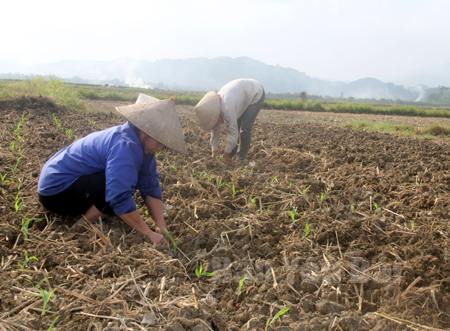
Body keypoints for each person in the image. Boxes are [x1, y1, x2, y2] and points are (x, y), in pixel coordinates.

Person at [37, 94, 187, 249]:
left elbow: (150, 185)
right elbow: (119, 196)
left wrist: (160, 225)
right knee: (117, 190)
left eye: (165, 145)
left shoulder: (142, 146)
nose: (162, 148)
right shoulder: (125, 145)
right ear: (144, 132)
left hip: (65, 184)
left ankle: (90, 215)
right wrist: (148, 234)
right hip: (56, 192)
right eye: (159, 141)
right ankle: (81, 227)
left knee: (123, 185)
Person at [194, 78, 265, 160]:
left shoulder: (227, 108)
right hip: (240, 96)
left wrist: (224, 156)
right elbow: (214, 131)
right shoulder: (214, 108)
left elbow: (232, 132)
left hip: (255, 93)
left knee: (245, 128)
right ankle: (232, 152)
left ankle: (240, 158)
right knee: (236, 125)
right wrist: (214, 152)